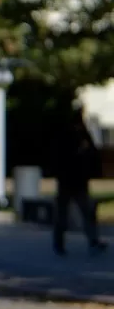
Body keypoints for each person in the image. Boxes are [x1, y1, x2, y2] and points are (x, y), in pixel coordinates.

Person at [52, 109, 107, 256]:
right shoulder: (73, 136)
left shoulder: (77, 135)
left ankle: (64, 242)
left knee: (77, 211)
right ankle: (64, 242)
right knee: (72, 212)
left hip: (74, 180)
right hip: (72, 179)